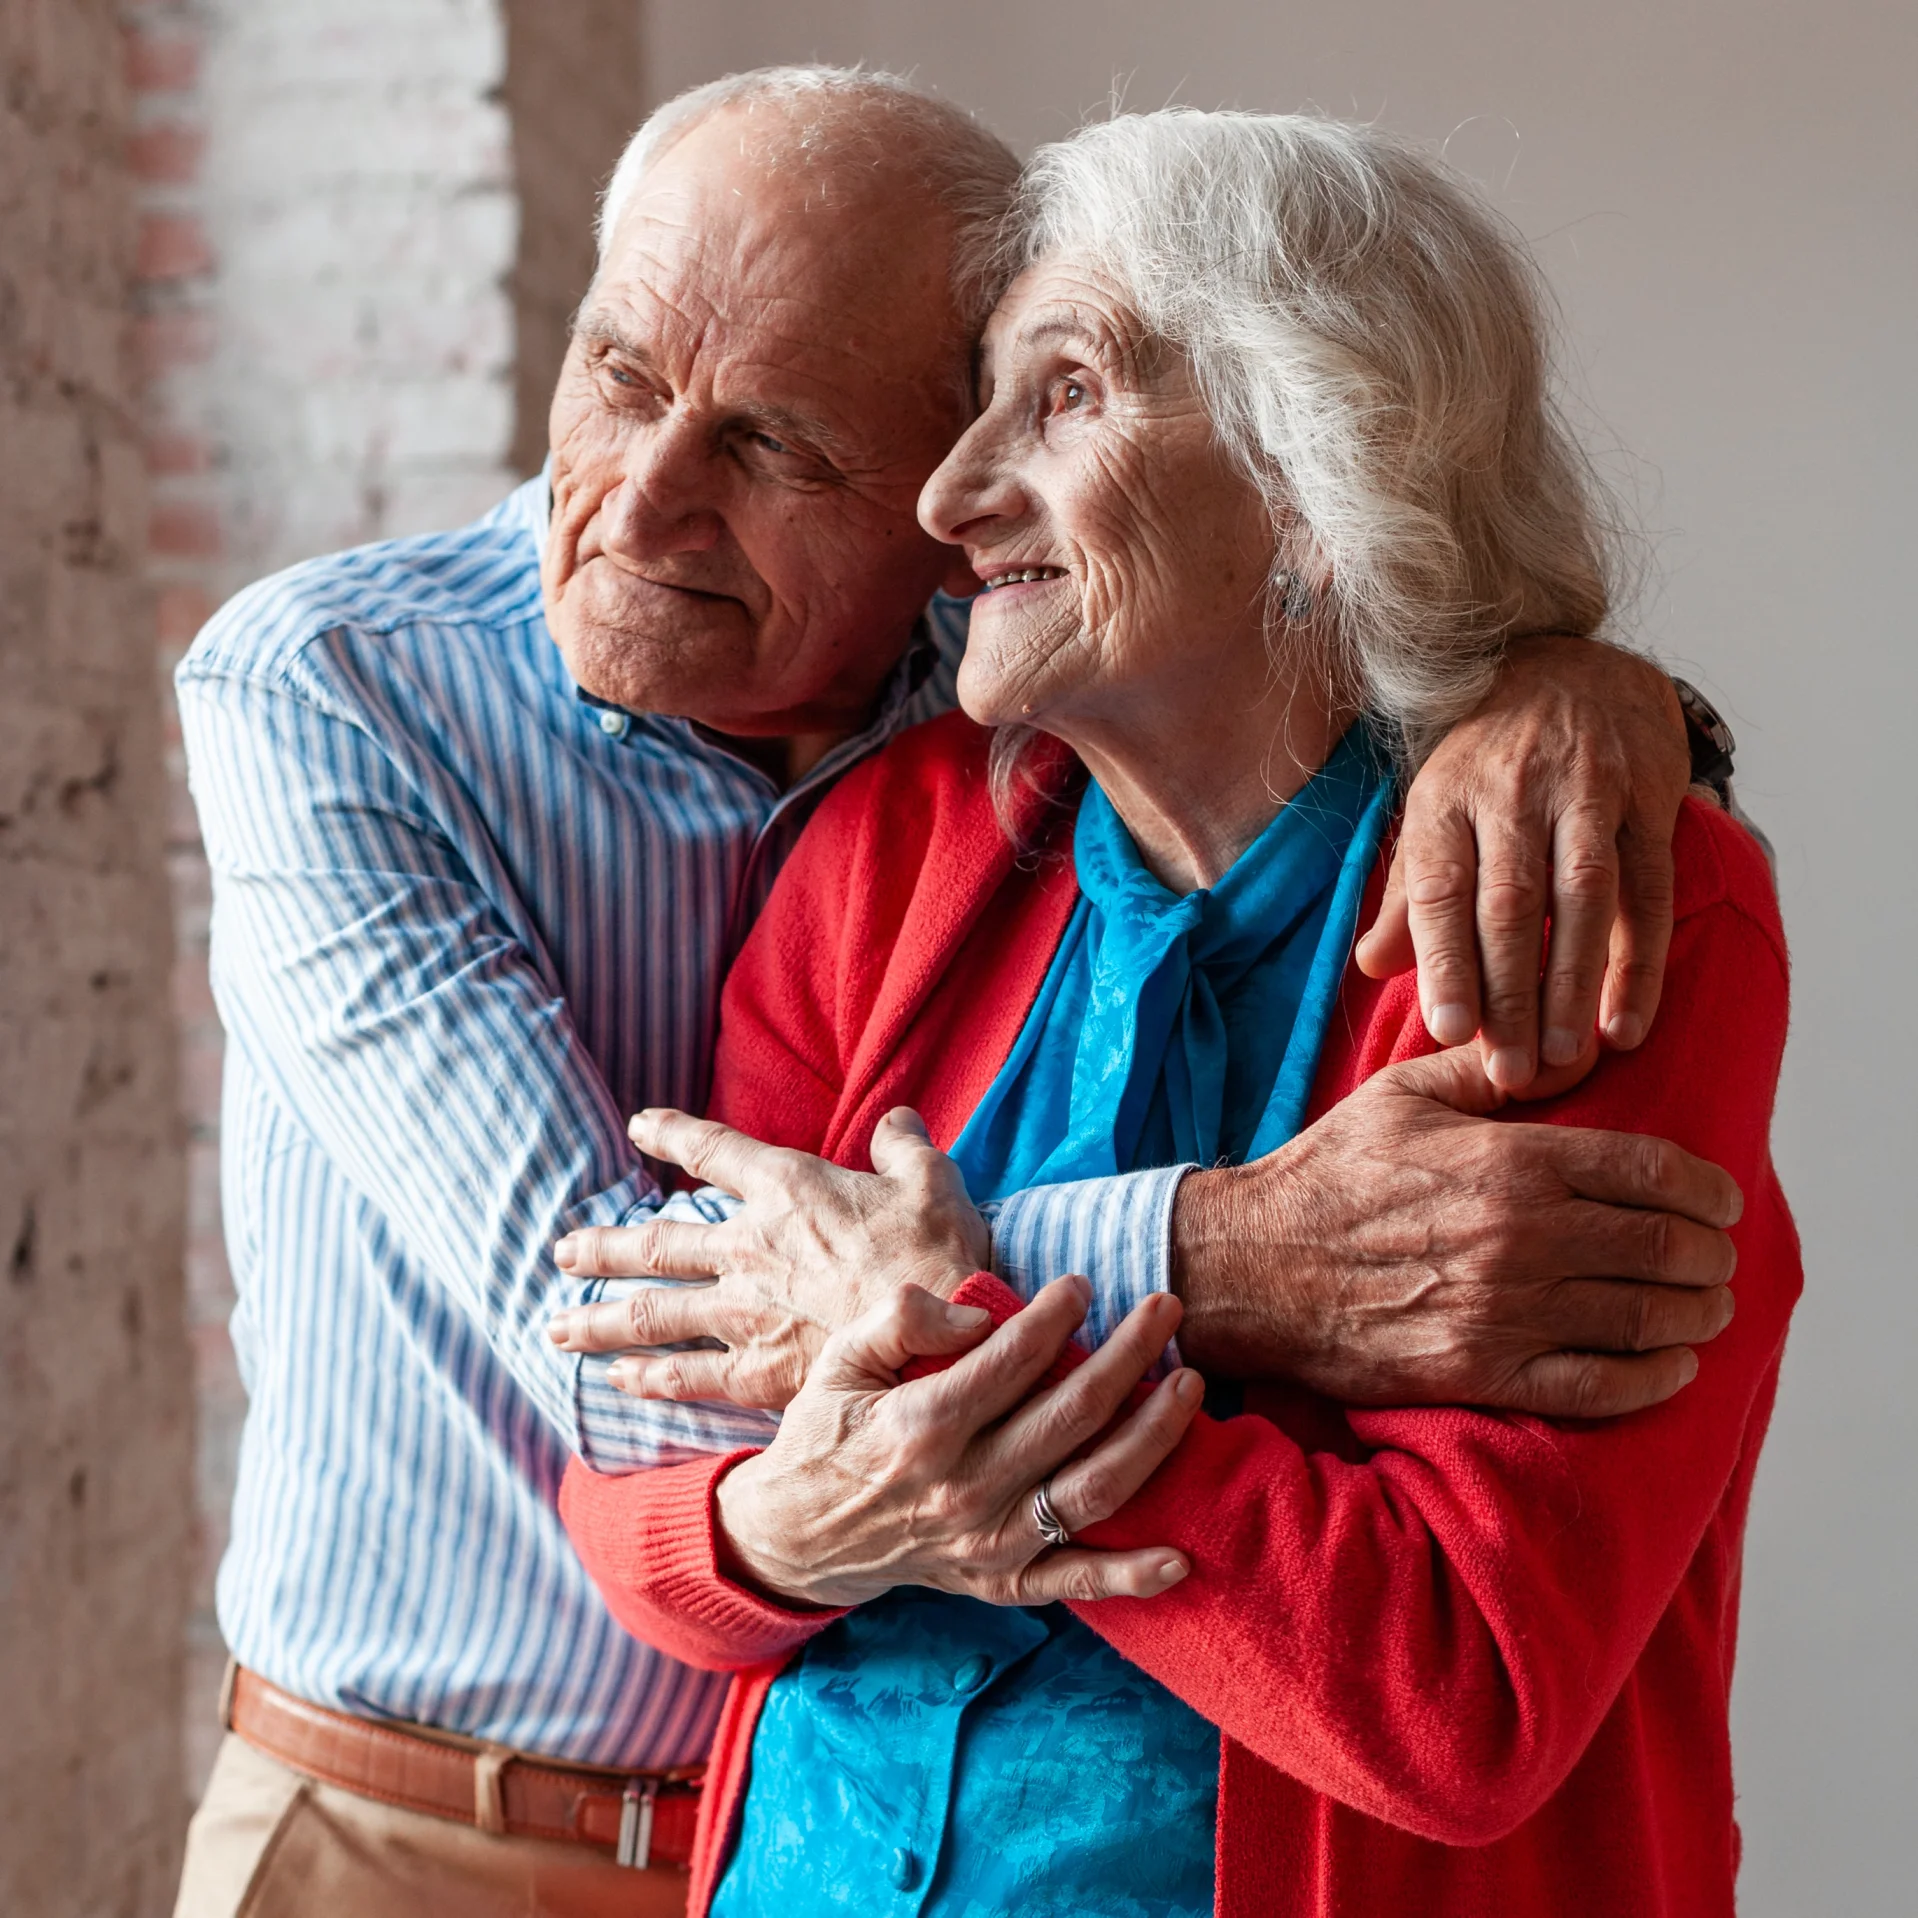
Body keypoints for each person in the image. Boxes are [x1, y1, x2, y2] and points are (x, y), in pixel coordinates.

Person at [173, 68, 1739, 1918]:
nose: (644, 503)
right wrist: (1220, 1256)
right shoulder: (333, 689)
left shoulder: (1012, 706)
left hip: (729, 1816)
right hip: (403, 1821)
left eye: (779, 446)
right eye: (616, 373)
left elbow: (1455, 1690)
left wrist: (1581, 683)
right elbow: (628, 1332)